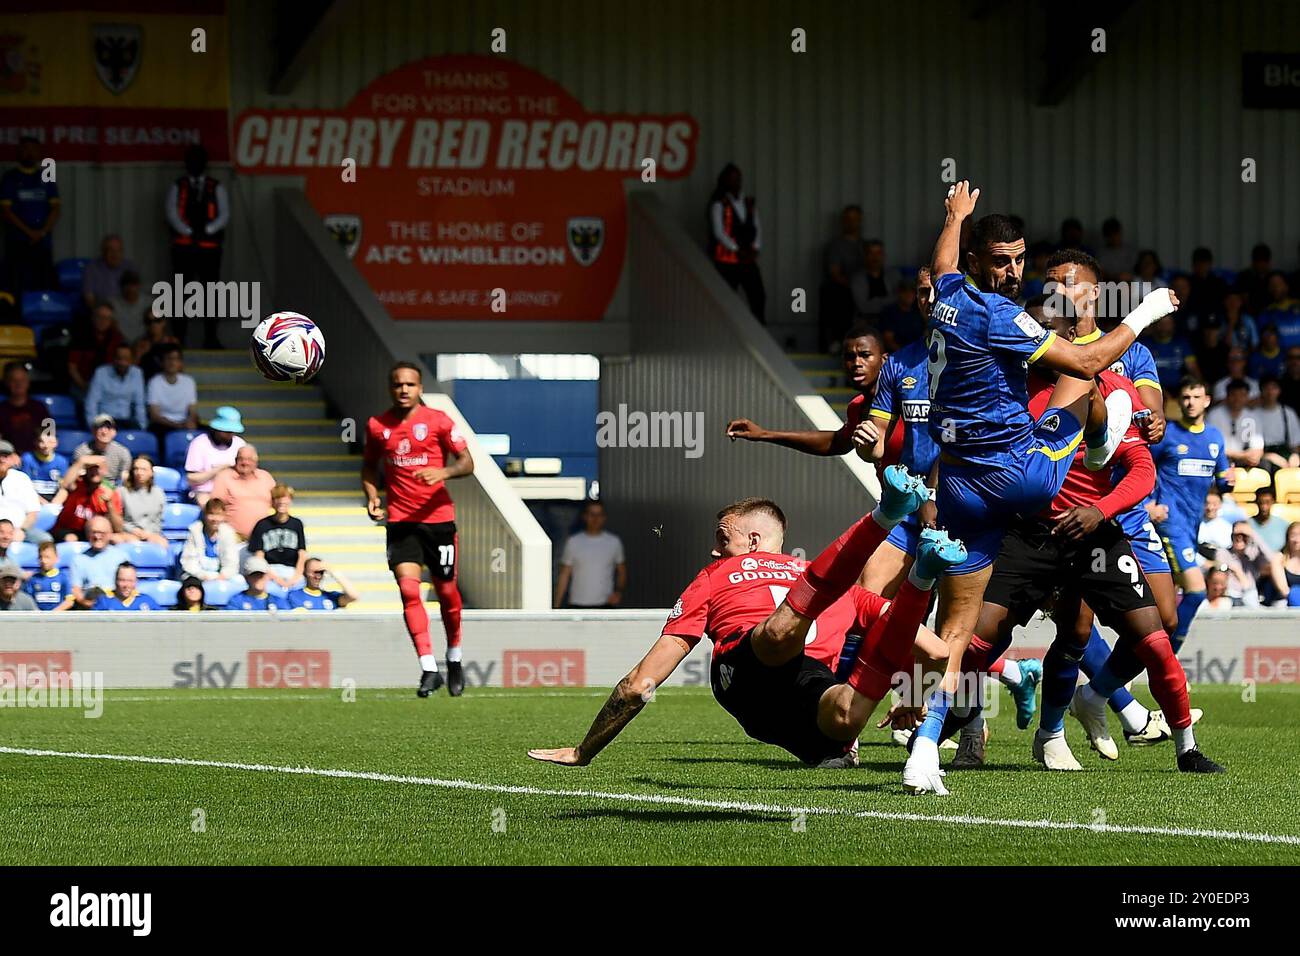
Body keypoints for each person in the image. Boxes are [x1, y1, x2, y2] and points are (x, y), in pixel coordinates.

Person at [914, 182, 1171, 792]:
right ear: (981, 263)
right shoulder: (999, 315)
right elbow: (1083, 363)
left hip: (960, 484)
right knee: (1086, 388)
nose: (1012, 270)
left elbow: (944, 261)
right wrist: (1146, 312)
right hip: (1021, 480)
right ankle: (1105, 440)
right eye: (1000, 260)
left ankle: (923, 751)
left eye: (1018, 259)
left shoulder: (947, 292)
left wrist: (954, 217)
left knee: (960, 632)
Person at [529, 475, 959, 773]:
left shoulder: (712, 578)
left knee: (844, 715)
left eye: (722, 537)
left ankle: (890, 525)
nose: (715, 550)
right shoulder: (818, 575)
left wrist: (586, 749)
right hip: (769, 661)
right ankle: (916, 566)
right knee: (790, 638)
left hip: (763, 686)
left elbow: (640, 683)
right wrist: (914, 696)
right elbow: (936, 653)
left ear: (753, 540)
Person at [934, 339, 1220, 776]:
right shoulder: (1009, 389)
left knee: (1152, 637)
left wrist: (1099, 510)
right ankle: (941, 721)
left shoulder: (1113, 389)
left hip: (1093, 536)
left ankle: (1186, 748)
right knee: (979, 638)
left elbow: (1142, 469)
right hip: (1028, 536)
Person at [363, 363, 472, 696]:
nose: (404, 389)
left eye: (410, 384)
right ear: (390, 389)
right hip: (401, 522)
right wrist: (371, 496)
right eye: (398, 384)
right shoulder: (377, 425)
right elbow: (368, 467)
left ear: (420, 387)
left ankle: (454, 656)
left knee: (447, 594)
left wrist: (443, 474)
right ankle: (428, 667)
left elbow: (467, 462)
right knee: (410, 592)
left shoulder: (439, 420)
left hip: (438, 521)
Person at [1152, 377, 1235, 652]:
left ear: (1206, 401)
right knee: (1197, 590)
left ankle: (1141, 657)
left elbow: (1223, 481)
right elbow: (1137, 467)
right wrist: (1147, 506)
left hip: (1192, 526)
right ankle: (1169, 658)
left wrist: (1229, 481)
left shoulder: (1214, 438)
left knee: (1162, 602)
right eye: (1186, 397)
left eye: (1196, 397)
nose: (1190, 402)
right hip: (1169, 522)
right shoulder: (1168, 434)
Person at [166, 144, 229, 348]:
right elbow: (171, 213)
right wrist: (189, 232)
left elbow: (224, 214)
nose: (194, 164)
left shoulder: (216, 186)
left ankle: (211, 338)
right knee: (180, 294)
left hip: (209, 249)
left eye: (198, 160)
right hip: (183, 248)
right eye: (191, 160)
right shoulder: (178, 185)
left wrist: (208, 230)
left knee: (211, 294)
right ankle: (179, 338)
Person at [0, 136, 60, 297]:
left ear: (39, 153)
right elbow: (6, 211)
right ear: (19, 152)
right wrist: (29, 232)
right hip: (17, 243)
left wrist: (41, 232)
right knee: (15, 286)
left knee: (43, 285)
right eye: (25, 149)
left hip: (41, 243)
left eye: (33, 149)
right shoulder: (10, 177)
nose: (29, 153)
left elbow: (55, 208)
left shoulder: (47, 175)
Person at [707, 163, 765, 323]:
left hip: (747, 258)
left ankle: (759, 328)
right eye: (732, 179)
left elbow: (757, 226)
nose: (736, 182)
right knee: (726, 298)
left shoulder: (748, 203)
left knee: (758, 295)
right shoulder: (719, 203)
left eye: (738, 179)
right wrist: (736, 249)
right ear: (724, 181)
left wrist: (756, 247)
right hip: (727, 260)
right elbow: (719, 232)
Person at [553, 501, 627, 609]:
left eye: (599, 515)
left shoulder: (614, 542)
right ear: (585, 516)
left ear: (604, 517)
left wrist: (618, 592)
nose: (595, 519)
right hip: (578, 605)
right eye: (592, 514)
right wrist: (557, 605)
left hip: (605, 605)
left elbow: (622, 571)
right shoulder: (573, 542)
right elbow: (565, 574)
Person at [820, 205, 866, 350]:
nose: (852, 223)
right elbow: (835, 273)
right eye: (848, 219)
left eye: (855, 219)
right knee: (836, 293)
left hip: (865, 288)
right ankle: (838, 342)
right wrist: (854, 287)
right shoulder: (836, 246)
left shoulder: (864, 245)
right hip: (844, 289)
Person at [50, 455, 124, 541]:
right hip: (69, 529)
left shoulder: (110, 492)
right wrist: (81, 461)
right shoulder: (77, 484)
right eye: (91, 468)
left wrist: (109, 504)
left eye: (98, 468)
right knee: (71, 539)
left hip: (94, 533)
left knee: (117, 539)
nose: (95, 471)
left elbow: (118, 528)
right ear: (86, 470)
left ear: (105, 471)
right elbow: (65, 485)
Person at [248, 484, 307, 589]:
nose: (281, 502)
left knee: (301, 585)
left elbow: (302, 554)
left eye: (285, 498)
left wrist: (296, 576)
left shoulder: (297, 524)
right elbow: (259, 556)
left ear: (290, 500)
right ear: (272, 502)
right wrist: (276, 578)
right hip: (269, 569)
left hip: (291, 570)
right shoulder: (262, 525)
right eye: (277, 498)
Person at [210, 444, 275, 539]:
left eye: (249, 459)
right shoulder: (224, 477)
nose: (245, 462)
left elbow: (278, 502)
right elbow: (215, 508)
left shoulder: (266, 477)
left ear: (256, 461)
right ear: (235, 460)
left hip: (264, 537)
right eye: (241, 459)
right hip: (234, 538)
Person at [184, 407, 246, 505]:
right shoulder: (199, 443)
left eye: (232, 432)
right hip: (206, 492)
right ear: (216, 429)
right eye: (226, 432)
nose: (230, 435)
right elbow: (191, 478)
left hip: (235, 491)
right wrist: (219, 470)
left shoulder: (240, 444)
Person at [67, 303, 126, 400]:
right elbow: (72, 368)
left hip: (109, 386)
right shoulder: (81, 336)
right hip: (83, 385)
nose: (103, 321)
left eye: (107, 318)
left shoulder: (117, 338)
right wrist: (85, 386)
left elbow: (124, 364)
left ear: (111, 321)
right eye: (99, 317)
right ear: (93, 318)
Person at [84, 343, 146, 430]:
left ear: (132, 360)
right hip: (105, 420)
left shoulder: (137, 373)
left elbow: (140, 404)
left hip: (127, 421)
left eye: (126, 359)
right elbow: (91, 403)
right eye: (119, 358)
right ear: (113, 359)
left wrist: (142, 427)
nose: (122, 362)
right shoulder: (101, 372)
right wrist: (92, 426)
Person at [1207, 379, 1265, 470]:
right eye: (1233, 395)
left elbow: (1258, 448)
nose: (1237, 399)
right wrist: (1240, 455)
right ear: (1227, 396)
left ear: (1247, 397)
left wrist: (1255, 457)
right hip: (1221, 460)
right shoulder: (1214, 414)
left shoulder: (1253, 417)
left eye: (1242, 395)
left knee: (1265, 465)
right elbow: (1212, 447)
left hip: (1246, 461)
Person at [0, 439, 51, 543]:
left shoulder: (22, 479)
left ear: (12, 459)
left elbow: (32, 513)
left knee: (46, 541)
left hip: (19, 529)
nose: (2, 459)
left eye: (5, 456)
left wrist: (22, 530)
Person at [68, 516, 128, 604]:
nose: (97, 536)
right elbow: (76, 590)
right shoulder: (78, 559)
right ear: (87, 534)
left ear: (110, 534)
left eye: (101, 533)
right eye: (93, 532)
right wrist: (91, 606)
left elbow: (128, 586)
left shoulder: (122, 557)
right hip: (90, 606)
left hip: (117, 605)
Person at [145, 345, 198, 443]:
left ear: (180, 363)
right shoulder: (154, 382)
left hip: (183, 422)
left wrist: (190, 422)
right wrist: (178, 426)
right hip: (163, 425)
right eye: (169, 359)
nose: (172, 362)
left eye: (176, 359)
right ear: (162, 362)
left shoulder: (189, 381)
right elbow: (154, 415)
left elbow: (192, 410)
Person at [179, 497, 241, 581]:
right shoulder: (195, 530)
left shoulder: (228, 533)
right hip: (199, 575)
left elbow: (232, 562)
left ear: (224, 516)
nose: (215, 519)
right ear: (205, 515)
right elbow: (189, 560)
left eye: (218, 514)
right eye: (211, 514)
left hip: (221, 576)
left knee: (239, 580)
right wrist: (201, 575)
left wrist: (223, 576)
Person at [116, 454, 168, 546]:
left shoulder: (158, 493)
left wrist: (148, 533)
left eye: (144, 469)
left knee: (162, 544)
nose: (139, 472)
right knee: (132, 542)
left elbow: (159, 519)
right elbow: (118, 519)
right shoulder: (122, 492)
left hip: (151, 533)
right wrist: (133, 530)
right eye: (136, 469)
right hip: (128, 533)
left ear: (151, 473)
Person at [1253, 376, 1300, 471]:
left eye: (1274, 388)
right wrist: (1269, 456)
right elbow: (1251, 449)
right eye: (1266, 388)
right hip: (1263, 455)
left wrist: (1295, 456)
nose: (1270, 392)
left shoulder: (1288, 413)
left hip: (1284, 451)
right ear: (1261, 391)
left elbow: (1295, 444)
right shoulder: (1253, 414)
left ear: (1279, 390)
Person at [81, 235, 137, 313]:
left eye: (118, 250)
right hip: (103, 313)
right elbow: (89, 299)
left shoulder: (130, 267)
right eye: (111, 250)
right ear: (103, 252)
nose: (115, 254)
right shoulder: (92, 268)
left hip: (127, 311)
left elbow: (136, 294)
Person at [1143, 314, 1199, 392]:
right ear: (1155, 324)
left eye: (1167, 323)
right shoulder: (1145, 344)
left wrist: (1200, 383)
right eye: (1161, 323)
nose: (1164, 327)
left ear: (1173, 325)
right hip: (1153, 390)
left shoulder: (1182, 343)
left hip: (1178, 391)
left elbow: (1193, 368)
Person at [72, 414, 132, 486]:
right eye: (100, 428)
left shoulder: (123, 452)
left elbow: (124, 478)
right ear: (93, 431)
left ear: (114, 432)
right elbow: (78, 476)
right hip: (88, 487)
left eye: (108, 428)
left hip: (114, 489)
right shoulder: (82, 451)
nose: (104, 432)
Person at [287, 557, 359, 611]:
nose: (318, 576)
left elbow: (353, 596)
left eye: (321, 572)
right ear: (305, 573)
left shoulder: (331, 597)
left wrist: (332, 571)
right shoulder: (293, 595)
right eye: (315, 572)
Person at [0, 361, 41, 455]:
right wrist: (9, 455)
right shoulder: (1, 410)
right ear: (7, 383)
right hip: (7, 458)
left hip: (36, 458)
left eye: (22, 380)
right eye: (14, 380)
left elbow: (48, 436)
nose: (18, 384)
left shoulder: (39, 408)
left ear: (28, 382)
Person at [23, 539, 74, 611]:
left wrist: (53, 613)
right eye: (41, 557)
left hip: (57, 618)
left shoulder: (63, 577)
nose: (44, 561)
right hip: (38, 618)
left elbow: (69, 601)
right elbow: (28, 600)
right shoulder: (33, 579)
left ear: (56, 558)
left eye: (47, 557)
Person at [20, 430, 69, 501]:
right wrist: (45, 504)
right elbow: (24, 487)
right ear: (35, 442)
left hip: (54, 499)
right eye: (42, 442)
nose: (46, 446)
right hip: (32, 498)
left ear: (56, 443)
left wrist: (54, 505)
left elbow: (63, 487)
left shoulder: (62, 461)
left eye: (50, 442)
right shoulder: (27, 458)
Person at [879, 276, 925, 350]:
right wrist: (905, 354)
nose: (908, 294)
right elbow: (888, 341)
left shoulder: (919, 311)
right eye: (904, 290)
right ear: (898, 292)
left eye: (912, 290)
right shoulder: (889, 312)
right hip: (897, 354)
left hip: (918, 352)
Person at [857, 240, 901, 318]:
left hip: (893, 318)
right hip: (867, 320)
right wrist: (890, 301)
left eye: (878, 253)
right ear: (865, 256)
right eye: (871, 253)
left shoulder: (894, 274)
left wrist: (875, 301)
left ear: (883, 255)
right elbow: (863, 307)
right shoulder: (857, 278)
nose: (875, 257)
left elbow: (900, 298)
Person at [92, 561, 159, 611]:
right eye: (122, 580)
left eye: (130, 581)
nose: (126, 585)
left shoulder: (147, 601)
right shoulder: (104, 601)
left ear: (136, 582)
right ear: (115, 581)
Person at [134, 313, 182, 380]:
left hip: (168, 381)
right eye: (149, 321)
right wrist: (141, 354)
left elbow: (179, 367)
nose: (153, 324)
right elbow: (133, 369)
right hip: (146, 380)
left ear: (164, 322)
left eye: (157, 320)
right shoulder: (141, 343)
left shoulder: (172, 342)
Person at [1259, 272, 1300, 351]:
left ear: (1286, 286)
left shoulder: (1297, 305)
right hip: (1281, 360)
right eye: (1272, 285)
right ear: (1268, 289)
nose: (1275, 287)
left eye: (1278, 283)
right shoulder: (1266, 313)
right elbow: (1266, 341)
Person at [108, 271, 150, 345]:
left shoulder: (149, 303)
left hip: (145, 344)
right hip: (119, 345)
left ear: (139, 286)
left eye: (134, 285)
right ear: (121, 287)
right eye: (127, 285)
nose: (131, 289)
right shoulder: (112, 304)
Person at [1236, 244, 1274, 316]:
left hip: (1271, 314)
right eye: (1259, 262)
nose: (1262, 266)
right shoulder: (1245, 276)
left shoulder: (1273, 277)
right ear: (1253, 262)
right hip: (1251, 314)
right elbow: (1244, 299)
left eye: (1264, 262)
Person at [1250, 486, 1289, 552]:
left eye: (1267, 502)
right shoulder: (1247, 524)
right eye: (1261, 502)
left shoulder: (1283, 525)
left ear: (1273, 502)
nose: (1264, 507)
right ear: (1256, 502)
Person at [1198, 490, 1234, 555]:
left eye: (1214, 504)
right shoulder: (1195, 524)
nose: (1210, 508)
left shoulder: (1227, 526)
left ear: (1220, 504)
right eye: (1207, 503)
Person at [1277, 522, 1300, 606]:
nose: (1297, 540)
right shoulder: (1279, 558)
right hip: (1285, 603)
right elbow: (1284, 590)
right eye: (1293, 535)